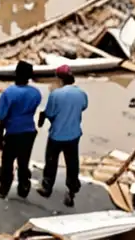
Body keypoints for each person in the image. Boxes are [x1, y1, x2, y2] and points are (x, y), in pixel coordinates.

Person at [39, 65, 88, 207]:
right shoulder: (81, 93)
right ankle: (72, 190)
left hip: (57, 135)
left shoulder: (56, 95)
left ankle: (47, 188)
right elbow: (84, 107)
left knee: (51, 162)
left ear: (59, 79)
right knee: (72, 163)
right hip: (74, 135)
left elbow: (50, 113)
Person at [0, 60, 42, 199]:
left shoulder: (9, 93)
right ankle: (23, 187)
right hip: (29, 131)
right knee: (23, 161)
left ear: (16, 73)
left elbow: (2, 116)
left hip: (13, 131)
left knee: (8, 162)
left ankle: (3, 189)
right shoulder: (35, 93)